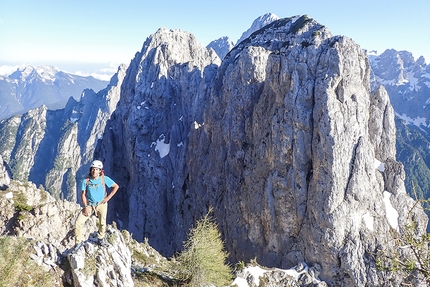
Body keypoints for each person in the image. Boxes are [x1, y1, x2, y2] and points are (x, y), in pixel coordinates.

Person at [74, 160, 119, 250]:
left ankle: (100, 238)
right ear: (91, 170)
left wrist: (107, 198)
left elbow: (116, 186)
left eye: (97, 169)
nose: (94, 171)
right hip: (90, 205)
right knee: (78, 223)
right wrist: (86, 206)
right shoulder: (86, 181)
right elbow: (83, 194)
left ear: (100, 171)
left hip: (102, 204)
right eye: (93, 169)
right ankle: (78, 243)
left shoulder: (104, 179)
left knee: (102, 223)